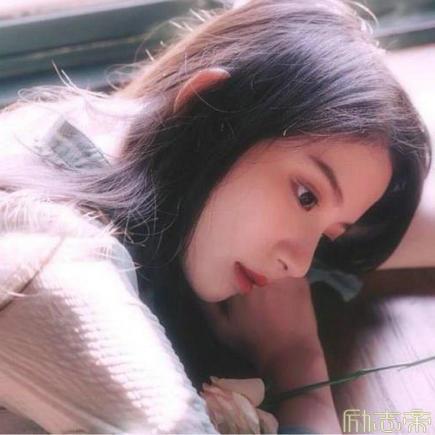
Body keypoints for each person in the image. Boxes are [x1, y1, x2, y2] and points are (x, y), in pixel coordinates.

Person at [0, 0, 432, 433]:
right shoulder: (56, 264)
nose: (299, 264)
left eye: (327, 234)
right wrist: (298, 364)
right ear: (209, 109)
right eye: (306, 197)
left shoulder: (120, 138)